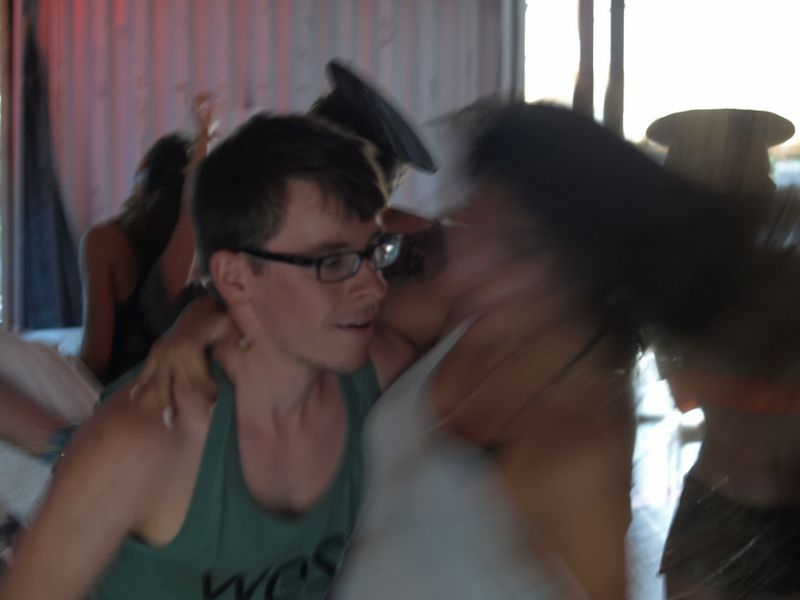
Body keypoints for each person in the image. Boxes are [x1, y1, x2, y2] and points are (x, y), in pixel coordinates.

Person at [129, 102, 784, 600]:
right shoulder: (464, 317)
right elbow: (300, 312)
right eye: (473, 219)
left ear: (580, 267)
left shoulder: (574, 450)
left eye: (512, 245)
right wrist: (205, 314)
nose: (468, 254)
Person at [0, 113, 423, 599]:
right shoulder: (141, 445)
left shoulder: (380, 375)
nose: (374, 286)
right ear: (235, 279)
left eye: (376, 251)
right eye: (333, 261)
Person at [647, 108, 800, 599]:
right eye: (756, 167)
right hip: (724, 517)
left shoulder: (674, 285)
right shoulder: (681, 290)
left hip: (725, 508)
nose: (769, 181)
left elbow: (685, 395)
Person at [78, 94, 215, 384]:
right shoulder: (198, 259)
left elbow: (97, 357)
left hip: (120, 395)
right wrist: (205, 135)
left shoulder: (104, 243)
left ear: (143, 171)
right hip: (177, 390)